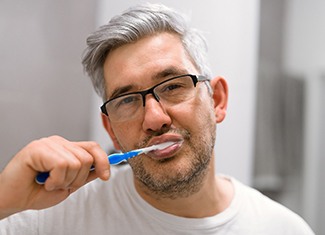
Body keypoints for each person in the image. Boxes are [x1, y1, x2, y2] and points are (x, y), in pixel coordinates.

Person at [0, 3, 314, 234]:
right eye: (126, 100)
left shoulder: (283, 229)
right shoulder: (48, 218)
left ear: (217, 100)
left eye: (173, 86)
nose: (154, 118)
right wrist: (4, 199)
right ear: (110, 128)